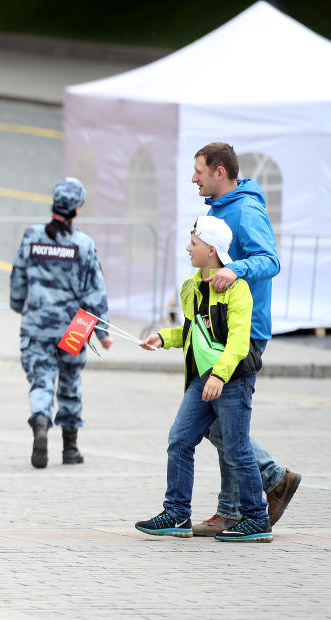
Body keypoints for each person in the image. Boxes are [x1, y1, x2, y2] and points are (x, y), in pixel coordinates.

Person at [136, 215, 270, 542]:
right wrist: (162, 338)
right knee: (180, 440)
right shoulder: (192, 287)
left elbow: (239, 342)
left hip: (231, 380)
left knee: (237, 449)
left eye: (193, 243)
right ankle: (177, 514)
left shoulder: (238, 291)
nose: (187, 248)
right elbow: (192, 332)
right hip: (201, 379)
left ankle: (257, 519)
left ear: (211, 250)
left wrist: (220, 376)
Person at [190, 142, 300, 535]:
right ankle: (233, 507)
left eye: (199, 171)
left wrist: (236, 271)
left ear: (220, 171)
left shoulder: (246, 208)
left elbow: (270, 260)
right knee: (216, 419)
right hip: (217, 327)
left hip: (244, 329)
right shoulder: (219, 209)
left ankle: (266, 481)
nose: (193, 178)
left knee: (217, 421)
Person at [9, 178, 113, 469]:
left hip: (38, 322)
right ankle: (70, 448)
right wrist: (102, 331)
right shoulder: (83, 244)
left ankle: (41, 423)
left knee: (41, 378)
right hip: (74, 326)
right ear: (78, 208)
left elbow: (18, 277)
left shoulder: (32, 236)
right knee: (69, 381)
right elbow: (96, 289)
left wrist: (19, 305)